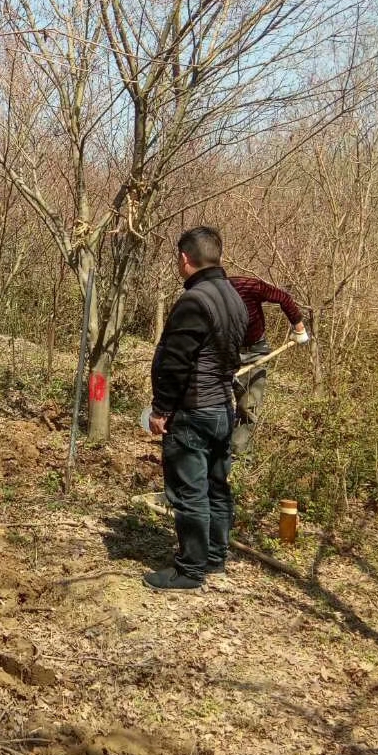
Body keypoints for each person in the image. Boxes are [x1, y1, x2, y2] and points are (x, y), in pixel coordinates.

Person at [146, 227, 248, 591]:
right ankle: (215, 557)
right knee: (216, 486)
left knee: (190, 492)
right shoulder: (233, 297)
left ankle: (190, 570)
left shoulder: (194, 301)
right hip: (222, 406)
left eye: (178, 258)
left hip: (194, 409)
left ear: (185, 259)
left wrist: (160, 410)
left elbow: (176, 362)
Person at [228, 274, 309, 455]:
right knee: (214, 403)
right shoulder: (205, 295)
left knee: (247, 406)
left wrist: (299, 328)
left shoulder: (248, 285)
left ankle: (239, 458)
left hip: (253, 352)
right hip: (223, 352)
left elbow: (283, 297)